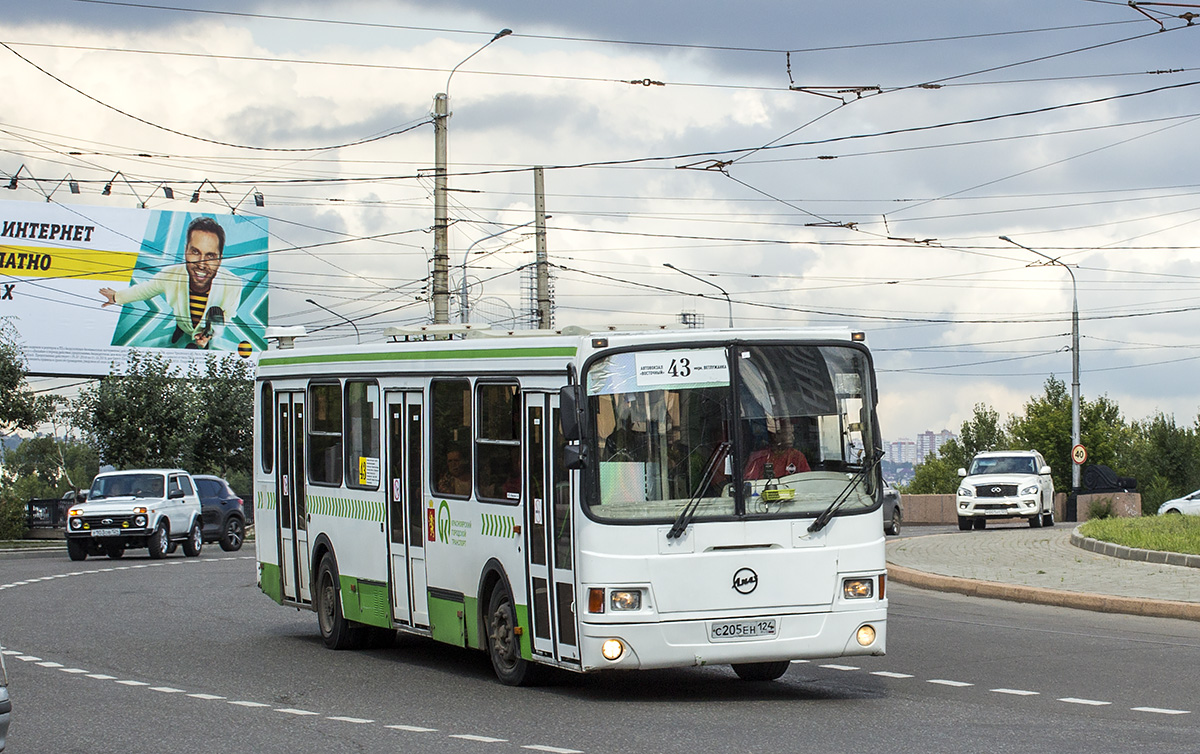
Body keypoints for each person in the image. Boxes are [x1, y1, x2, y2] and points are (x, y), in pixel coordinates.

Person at [99, 216, 243, 349]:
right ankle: (180, 329)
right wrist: (117, 297)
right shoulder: (170, 274)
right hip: (183, 320)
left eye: (210, 255)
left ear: (220, 259)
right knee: (182, 324)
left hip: (205, 329)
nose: (201, 264)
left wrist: (209, 335)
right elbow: (145, 290)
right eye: (195, 252)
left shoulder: (234, 284)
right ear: (186, 251)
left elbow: (225, 317)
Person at [743, 419, 810, 479]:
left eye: (792, 433)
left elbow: (807, 480)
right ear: (775, 436)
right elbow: (749, 483)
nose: (792, 437)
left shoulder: (797, 456)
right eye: (788, 434)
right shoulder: (759, 458)